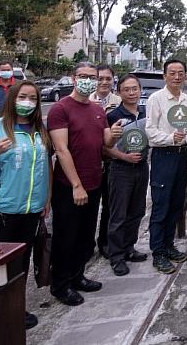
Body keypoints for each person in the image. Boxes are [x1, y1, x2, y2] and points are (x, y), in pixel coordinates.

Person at [0, 80, 51, 330]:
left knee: (21, 263)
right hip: (0, 213)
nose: (27, 102)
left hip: (30, 211)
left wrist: (47, 198)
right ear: (12, 99)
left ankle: (16, 307)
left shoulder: (40, 131)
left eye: (33, 98)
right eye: (22, 97)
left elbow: (46, 165)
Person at [47, 62, 123, 306]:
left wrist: (114, 135)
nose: (88, 80)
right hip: (69, 185)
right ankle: (60, 285)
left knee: (85, 236)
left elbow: (104, 144)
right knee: (65, 237)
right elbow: (61, 149)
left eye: (93, 77)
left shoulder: (97, 109)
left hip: (94, 181)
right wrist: (76, 185)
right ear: (73, 78)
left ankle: (77, 276)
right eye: (84, 76)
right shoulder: (61, 109)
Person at [145, 59, 187, 274]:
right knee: (161, 205)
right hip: (163, 155)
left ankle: (168, 245)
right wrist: (170, 138)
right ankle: (158, 253)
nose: (177, 77)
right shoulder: (156, 99)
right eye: (172, 73)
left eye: (180, 73)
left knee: (176, 204)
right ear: (165, 76)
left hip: (182, 156)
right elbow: (150, 131)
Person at [103, 74, 149, 276]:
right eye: (126, 89)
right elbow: (105, 148)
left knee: (137, 211)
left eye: (135, 89)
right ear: (119, 92)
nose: (131, 93)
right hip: (121, 169)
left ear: (140, 90)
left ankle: (129, 247)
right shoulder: (113, 116)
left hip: (142, 167)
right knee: (118, 215)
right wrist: (124, 156)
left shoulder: (144, 112)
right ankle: (116, 256)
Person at [90, 64, 122, 259]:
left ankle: (106, 243)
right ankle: (85, 246)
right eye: (99, 78)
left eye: (107, 79)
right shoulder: (85, 101)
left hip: (113, 161)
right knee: (90, 207)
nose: (103, 82)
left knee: (111, 206)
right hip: (90, 162)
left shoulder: (119, 102)